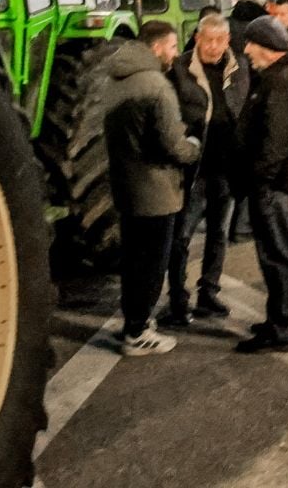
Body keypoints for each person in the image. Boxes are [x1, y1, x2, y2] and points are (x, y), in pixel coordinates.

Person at [97, 20, 202, 353]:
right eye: (172, 47)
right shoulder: (156, 85)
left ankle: (132, 321)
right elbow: (172, 145)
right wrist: (194, 146)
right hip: (156, 191)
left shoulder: (116, 79)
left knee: (133, 260)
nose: (175, 53)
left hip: (126, 185)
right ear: (157, 47)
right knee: (152, 263)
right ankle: (139, 331)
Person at [235, 16, 288, 353]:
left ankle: (280, 329)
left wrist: (260, 182)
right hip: (286, 183)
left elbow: (275, 142)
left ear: (267, 48)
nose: (245, 51)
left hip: (276, 186)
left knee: (277, 257)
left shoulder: (282, 82)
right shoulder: (284, 75)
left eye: (250, 44)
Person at [161, 13, 249, 327]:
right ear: (197, 38)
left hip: (227, 167)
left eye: (219, 40)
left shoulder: (239, 67)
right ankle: (177, 299)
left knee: (218, 233)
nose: (213, 47)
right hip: (194, 169)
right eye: (207, 40)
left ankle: (208, 293)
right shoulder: (180, 68)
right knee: (182, 235)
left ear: (227, 41)